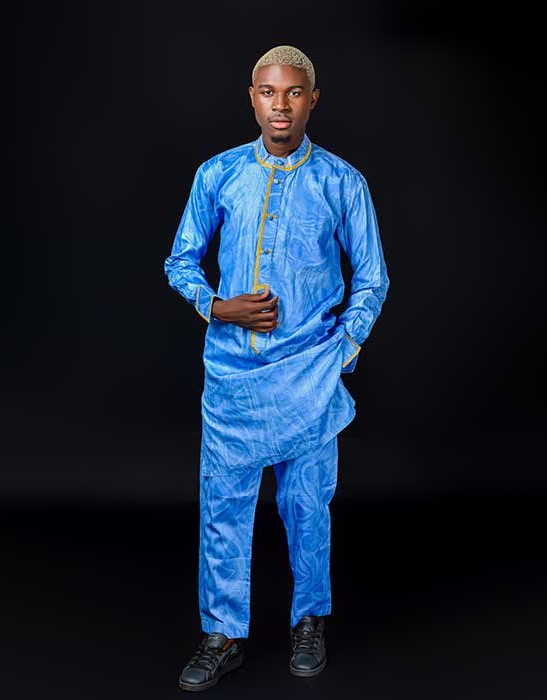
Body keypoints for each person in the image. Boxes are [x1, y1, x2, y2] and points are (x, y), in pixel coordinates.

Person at [164, 44, 390, 692]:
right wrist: (218, 306)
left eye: (293, 92)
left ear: (312, 100)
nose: (280, 105)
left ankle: (309, 621)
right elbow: (181, 260)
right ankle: (223, 634)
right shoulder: (218, 174)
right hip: (232, 373)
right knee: (223, 505)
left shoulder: (342, 183)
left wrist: (341, 350)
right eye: (268, 92)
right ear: (252, 98)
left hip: (308, 375)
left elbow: (371, 279)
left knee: (307, 503)